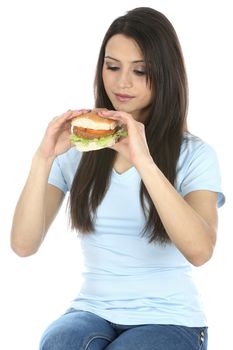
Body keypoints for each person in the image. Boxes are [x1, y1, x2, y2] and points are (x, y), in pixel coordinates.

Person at [10, 7, 225, 350]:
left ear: (166, 75)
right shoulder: (79, 150)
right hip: (91, 310)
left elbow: (200, 251)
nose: (122, 82)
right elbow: (23, 244)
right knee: (61, 342)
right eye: (112, 67)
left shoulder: (196, 155)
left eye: (140, 71)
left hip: (170, 319)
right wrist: (43, 158)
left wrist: (145, 162)